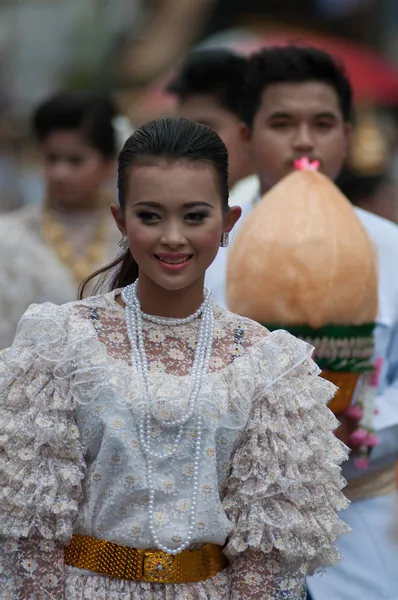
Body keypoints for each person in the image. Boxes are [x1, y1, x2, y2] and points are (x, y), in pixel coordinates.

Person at [0, 116, 349, 599]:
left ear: (227, 222)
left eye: (194, 216)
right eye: (149, 216)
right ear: (121, 221)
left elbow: (267, 552)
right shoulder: (61, 340)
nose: (172, 237)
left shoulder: (269, 363)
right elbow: (30, 528)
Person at [206, 45, 398, 600]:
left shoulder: (389, 247)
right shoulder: (202, 248)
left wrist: (360, 432)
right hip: (222, 529)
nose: (304, 141)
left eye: (323, 124)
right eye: (282, 123)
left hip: (359, 516)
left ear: (348, 135)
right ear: (246, 136)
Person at [0, 91, 121, 349]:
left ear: (109, 164)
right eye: (51, 158)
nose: (59, 173)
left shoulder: (132, 235)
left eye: (75, 161)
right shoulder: (7, 236)